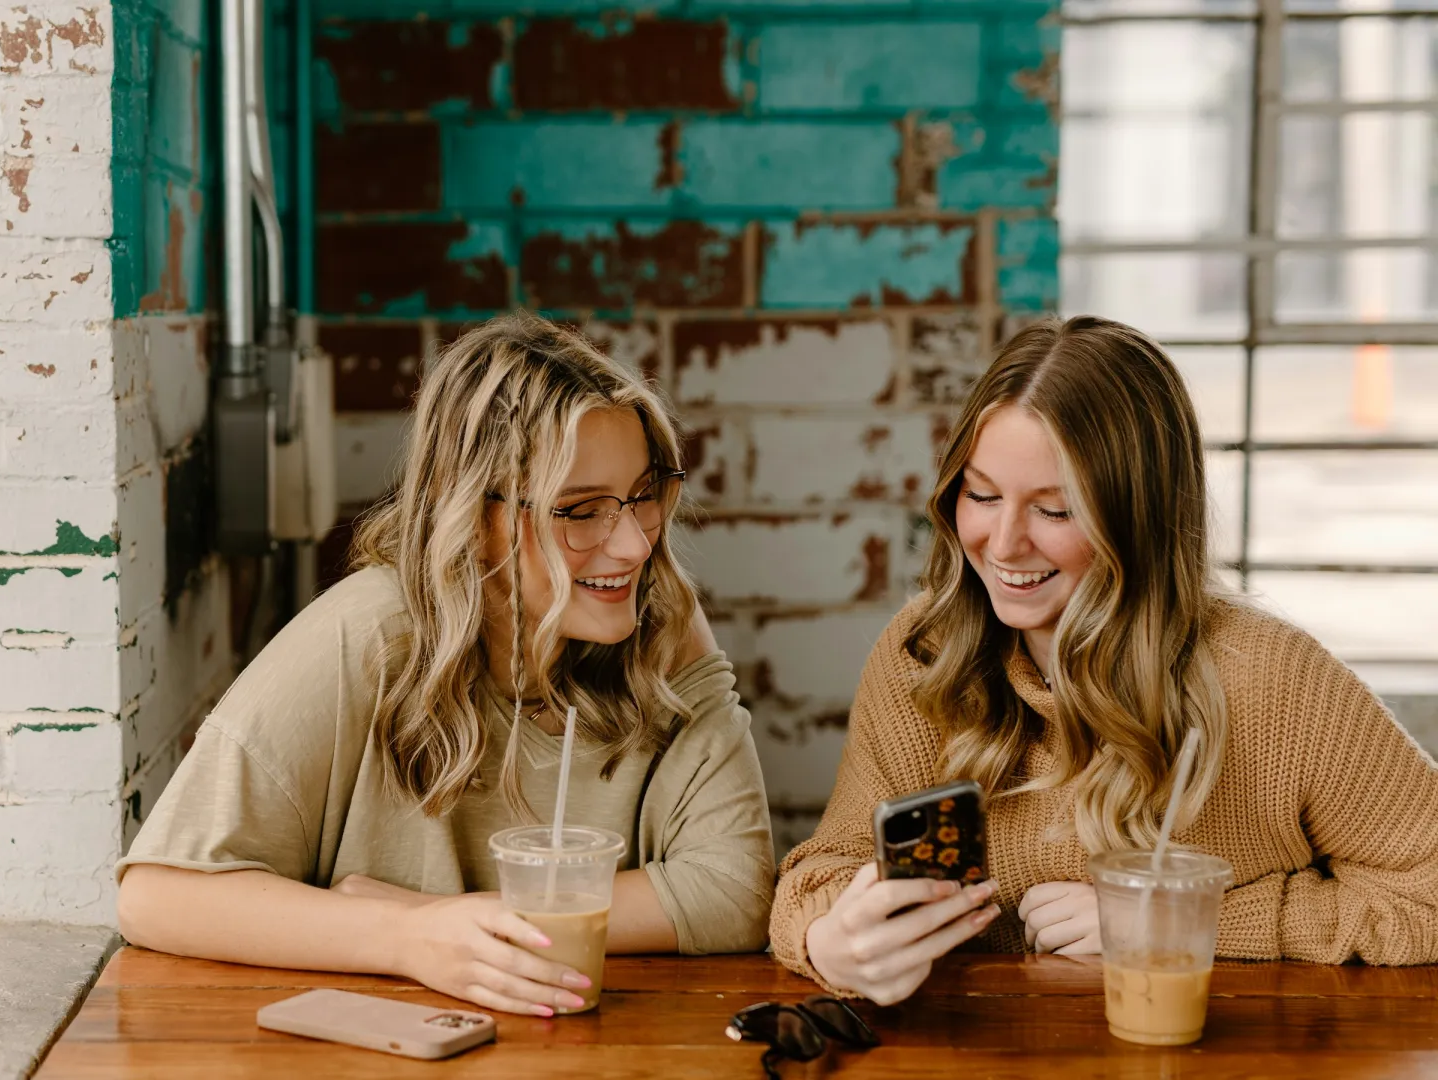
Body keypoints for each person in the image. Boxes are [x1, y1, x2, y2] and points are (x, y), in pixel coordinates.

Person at [118, 312, 776, 1017]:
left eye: (645, 496)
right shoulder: (367, 633)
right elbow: (156, 895)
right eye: (581, 511)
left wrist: (457, 923)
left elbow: (737, 889)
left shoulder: (663, 622)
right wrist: (405, 937)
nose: (635, 547)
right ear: (470, 515)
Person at [772, 315, 1438, 1004]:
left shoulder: (1269, 677)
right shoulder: (925, 654)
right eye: (982, 495)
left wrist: (1180, 921)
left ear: (1138, 520)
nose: (1002, 545)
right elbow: (822, 871)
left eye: (1055, 512)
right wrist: (829, 940)